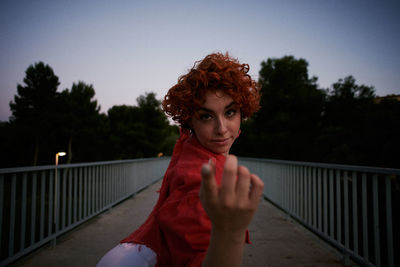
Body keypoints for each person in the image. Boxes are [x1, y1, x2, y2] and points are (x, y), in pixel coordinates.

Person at [97, 52, 264, 267]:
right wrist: (230, 233)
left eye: (230, 112)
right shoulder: (201, 178)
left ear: (242, 112)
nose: (222, 129)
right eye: (207, 116)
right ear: (190, 121)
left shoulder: (192, 143)